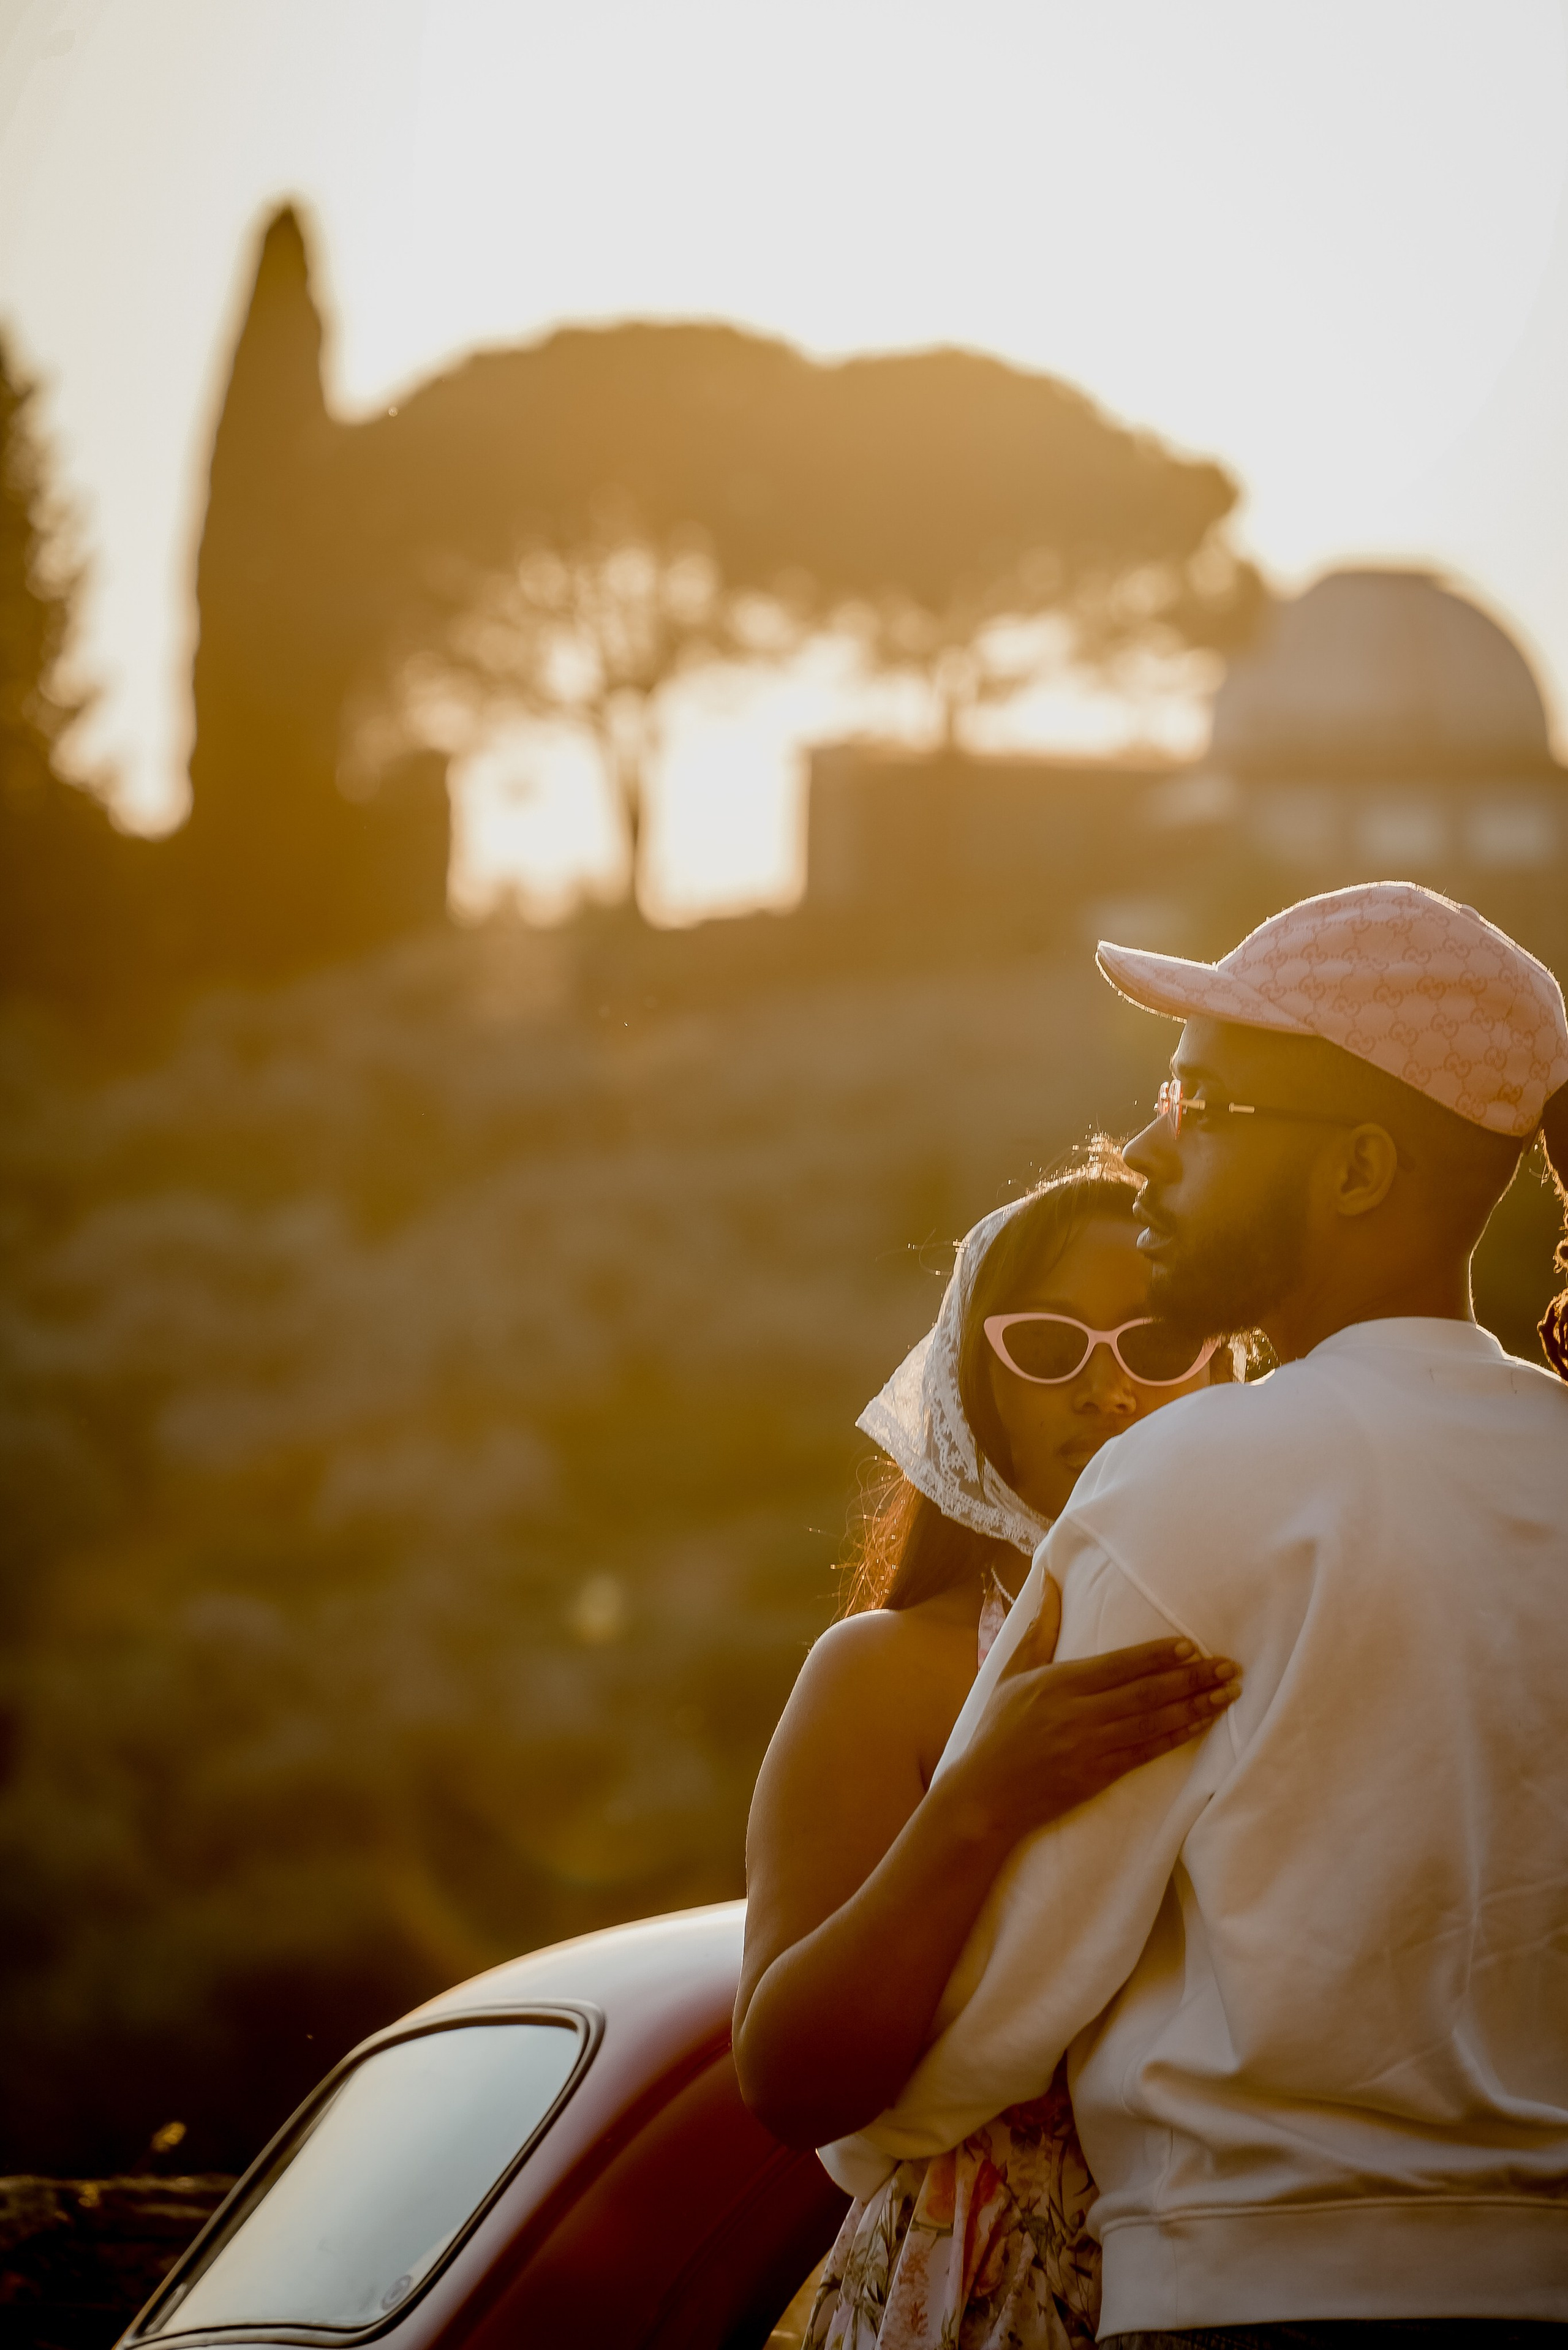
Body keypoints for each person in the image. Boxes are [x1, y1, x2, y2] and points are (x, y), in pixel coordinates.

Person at [817, 881, 1568, 2344]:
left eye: (1204, 1103)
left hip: (1255, 2297)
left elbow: (997, 2002)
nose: (1146, 1148)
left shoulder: (1194, 1477)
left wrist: (871, 2133)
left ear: (1357, 1168)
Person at [736, 1143, 1243, 2349]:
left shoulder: (1294, 1623)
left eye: (1158, 1341)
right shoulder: (887, 1672)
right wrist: (981, 1798)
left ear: (1227, 1364)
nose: (1107, 1390)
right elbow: (789, 2079)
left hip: (1265, 2270)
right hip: (980, 2271)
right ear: (977, 1380)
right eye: (1048, 1346)